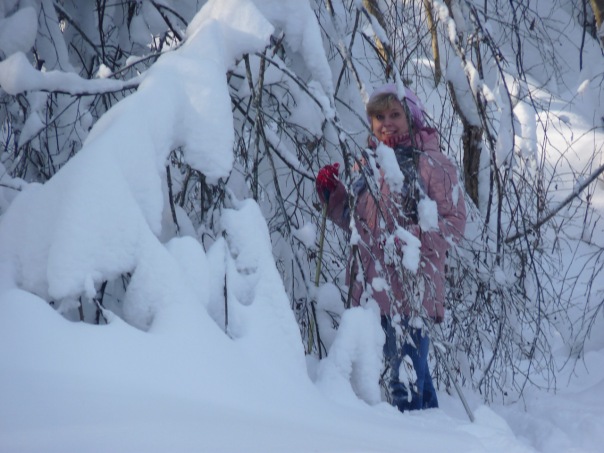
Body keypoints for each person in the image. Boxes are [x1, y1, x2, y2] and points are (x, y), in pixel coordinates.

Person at [315, 83, 466, 412]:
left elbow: (454, 225)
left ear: (412, 117)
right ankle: (437, 432)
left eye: (395, 115)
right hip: (372, 292)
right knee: (413, 379)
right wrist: (332, 196)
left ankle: (413, 435)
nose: (387, 123)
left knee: (404, 384)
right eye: (379, 117)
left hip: (412, 292)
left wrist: (412, 237)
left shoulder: (432, 164)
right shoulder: (368, 163)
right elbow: (356, 222)